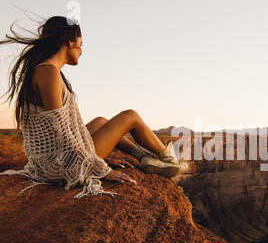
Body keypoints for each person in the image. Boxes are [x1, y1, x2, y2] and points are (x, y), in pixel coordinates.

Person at [0, 16, 188, 198]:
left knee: (100, 121)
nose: (81, 50)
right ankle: (169, 160)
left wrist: (101, 157)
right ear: (68, 42)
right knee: (131, 116)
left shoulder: (44, 69)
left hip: (54, 158)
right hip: (60, 164)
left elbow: (64, 130)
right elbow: (61, 133)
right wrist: (100, 168)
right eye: (80, 44)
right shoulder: (48, 72)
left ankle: (143, 156)